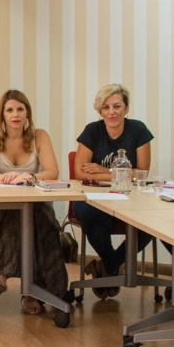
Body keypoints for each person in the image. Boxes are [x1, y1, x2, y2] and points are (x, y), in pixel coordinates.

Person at [0, 89, 70, 315]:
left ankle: (3, 274)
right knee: (22, 214)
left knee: (35, 219)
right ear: (2, 114)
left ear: (27, 113)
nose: (15, 115)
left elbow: (52, 171)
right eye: (9, 110)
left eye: (20, 109)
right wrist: (8, 179)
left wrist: (31, 178)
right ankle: (34, 293)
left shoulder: (39, 136)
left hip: (34, 209)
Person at [69, 83, 153, 289]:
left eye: (117, 106)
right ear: (100, 111)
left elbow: (142, 172)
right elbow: (80, 172)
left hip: (130, 197)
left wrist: (102, 170)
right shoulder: (92, 131)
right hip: (94, 196)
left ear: (126, 108)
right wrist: (122, 173)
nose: (111, 112)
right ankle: (113, 265)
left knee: (151, 221)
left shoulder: (138, 130)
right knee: (89, 212)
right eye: (106, 107)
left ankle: (108, 266)